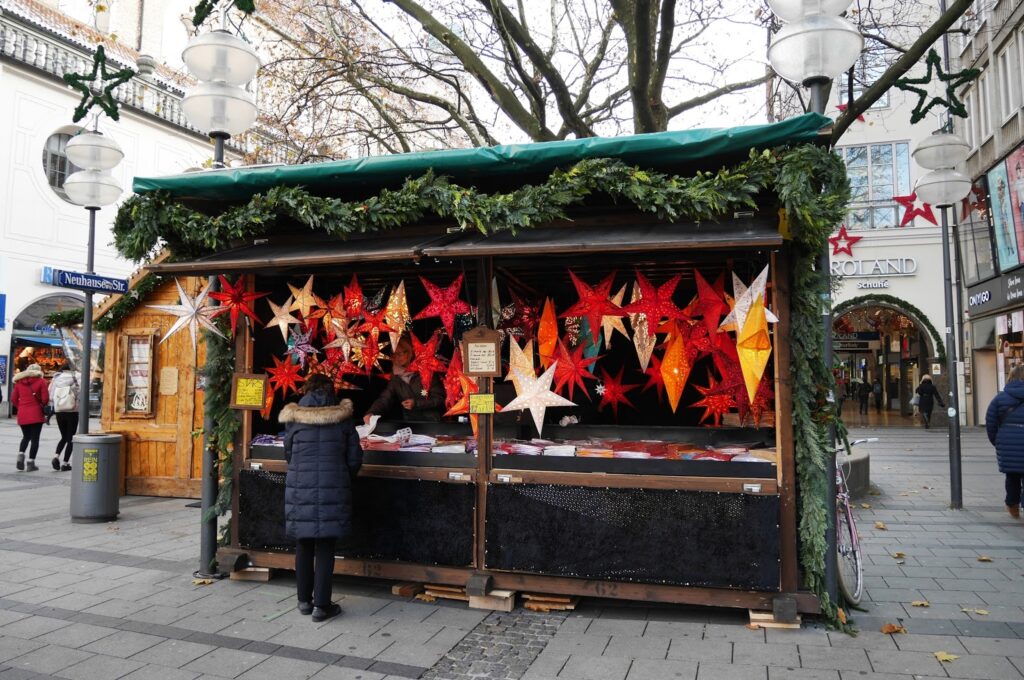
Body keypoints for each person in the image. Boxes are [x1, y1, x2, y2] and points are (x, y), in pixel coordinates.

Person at [280, 373, 363, 622]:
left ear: (305, 390)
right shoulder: (343, 420)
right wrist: (342, 477)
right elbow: (354, 459)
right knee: (325, 545)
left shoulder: (295, 419)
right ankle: (322, 606)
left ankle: (303, 601)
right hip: (333, 486)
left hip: (299, 488)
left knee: (303, 543)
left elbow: (288, 454)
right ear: (330, 390)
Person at [363, 334, 445, 424]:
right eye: (394, 354)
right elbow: (385, 398)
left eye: (401, 353)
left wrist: (416, 403)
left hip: (432, 423)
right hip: (411, 424)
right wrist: (372, 412)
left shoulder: (426, 371)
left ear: (410, 352)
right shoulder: (396, 377)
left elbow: (440, 399)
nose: (397, 357)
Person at [985, 365, 1024, 518]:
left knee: (1012, 476)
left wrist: (998, 442)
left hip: (1008, 443)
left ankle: (1012, 505)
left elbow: (991, 422)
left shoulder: (1000, 398)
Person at [10, 364, 49, 471]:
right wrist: (40, 405)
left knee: (26, 437)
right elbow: (45, 399)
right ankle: (31, 463)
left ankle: (20, 455)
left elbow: (13, 399)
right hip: (36, 414)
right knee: (35, 439)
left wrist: (21, 407)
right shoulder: (41, 382)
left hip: (22, 414)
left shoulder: (19, 383)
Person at [48, 363, 81, 471]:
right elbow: (82, 392)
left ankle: (56, 456)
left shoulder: (56, 378)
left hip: (59, 411)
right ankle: (65, 463)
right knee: (71, 438)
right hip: (72, 410)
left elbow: (51, 395)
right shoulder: (77, 376)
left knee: (63, 437)